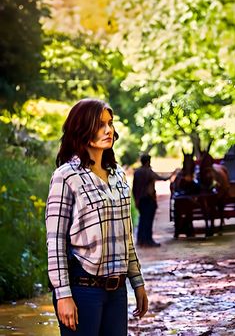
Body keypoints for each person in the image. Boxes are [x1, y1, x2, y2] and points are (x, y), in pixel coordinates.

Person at [46, 98, 148, 336]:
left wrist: (137, 282)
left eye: (110, 123)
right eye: (99, 124)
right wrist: (63, 295)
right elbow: (55, 242)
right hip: (82, 290)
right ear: (81, 128)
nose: (108, 130)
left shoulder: (118, 175)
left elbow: (126, 237)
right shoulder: (66, 176)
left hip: (117, 290)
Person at [132, 153, 168, 247]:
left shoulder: (137, 172)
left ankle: (140, 240)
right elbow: (161, 178)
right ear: (148, 161)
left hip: (140, 200)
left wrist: (136, 200)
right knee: (148, 220)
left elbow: (134, 188)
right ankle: (148, 240)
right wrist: (172, 175)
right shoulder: (148, 172)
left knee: (142, 219)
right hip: (149, 199)